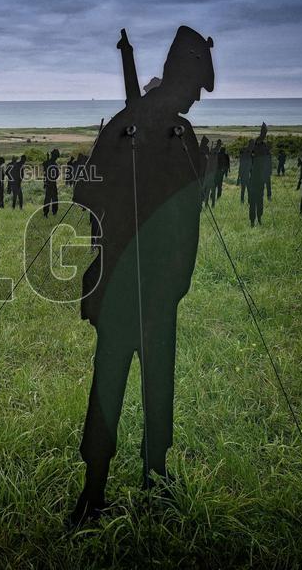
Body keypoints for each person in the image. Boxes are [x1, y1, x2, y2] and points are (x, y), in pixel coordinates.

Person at [69, 26, 213, 526]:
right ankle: (93, 493)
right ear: (180, 77)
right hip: (121, 281)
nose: (197, 98)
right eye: (195, 87)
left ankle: (155, 474)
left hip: (161, 287)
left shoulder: (177, 134)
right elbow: (84, 192)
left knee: (158, 383)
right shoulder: (129, 126)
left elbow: (193, 198)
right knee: (108, 382)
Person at [248, 124, 270, 225]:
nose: (264, 134)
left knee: (260, 200)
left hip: (261, 177)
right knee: (253, 200)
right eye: (263, 132)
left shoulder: (264, 145)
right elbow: (251, 154)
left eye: (265, 132)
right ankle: (252, 220)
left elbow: (267, 159)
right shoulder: (256, 143)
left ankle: (259, 218)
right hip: (254, 176)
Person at [42, 149, 60, 217]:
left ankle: (52, 212)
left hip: (51, 183)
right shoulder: (50, 163)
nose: (56, 158)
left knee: (52, 198)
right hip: (49, 183)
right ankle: (47, 212)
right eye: (56, 156)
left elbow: (56, 174)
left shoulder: (51, 163)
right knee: (49, 198)